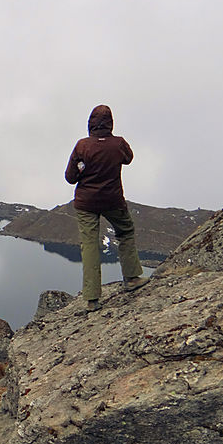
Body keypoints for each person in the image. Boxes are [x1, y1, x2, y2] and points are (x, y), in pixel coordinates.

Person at [65, 104, 147, 312]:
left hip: (86, 203)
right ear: (110, 123)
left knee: (90, 244)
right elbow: (128, 159)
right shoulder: (118, 144)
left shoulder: (82, 146)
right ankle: (132, 278)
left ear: (90, 123)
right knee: (125, 231)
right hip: (112, 200)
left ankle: (92, 298)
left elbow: (70, 178)